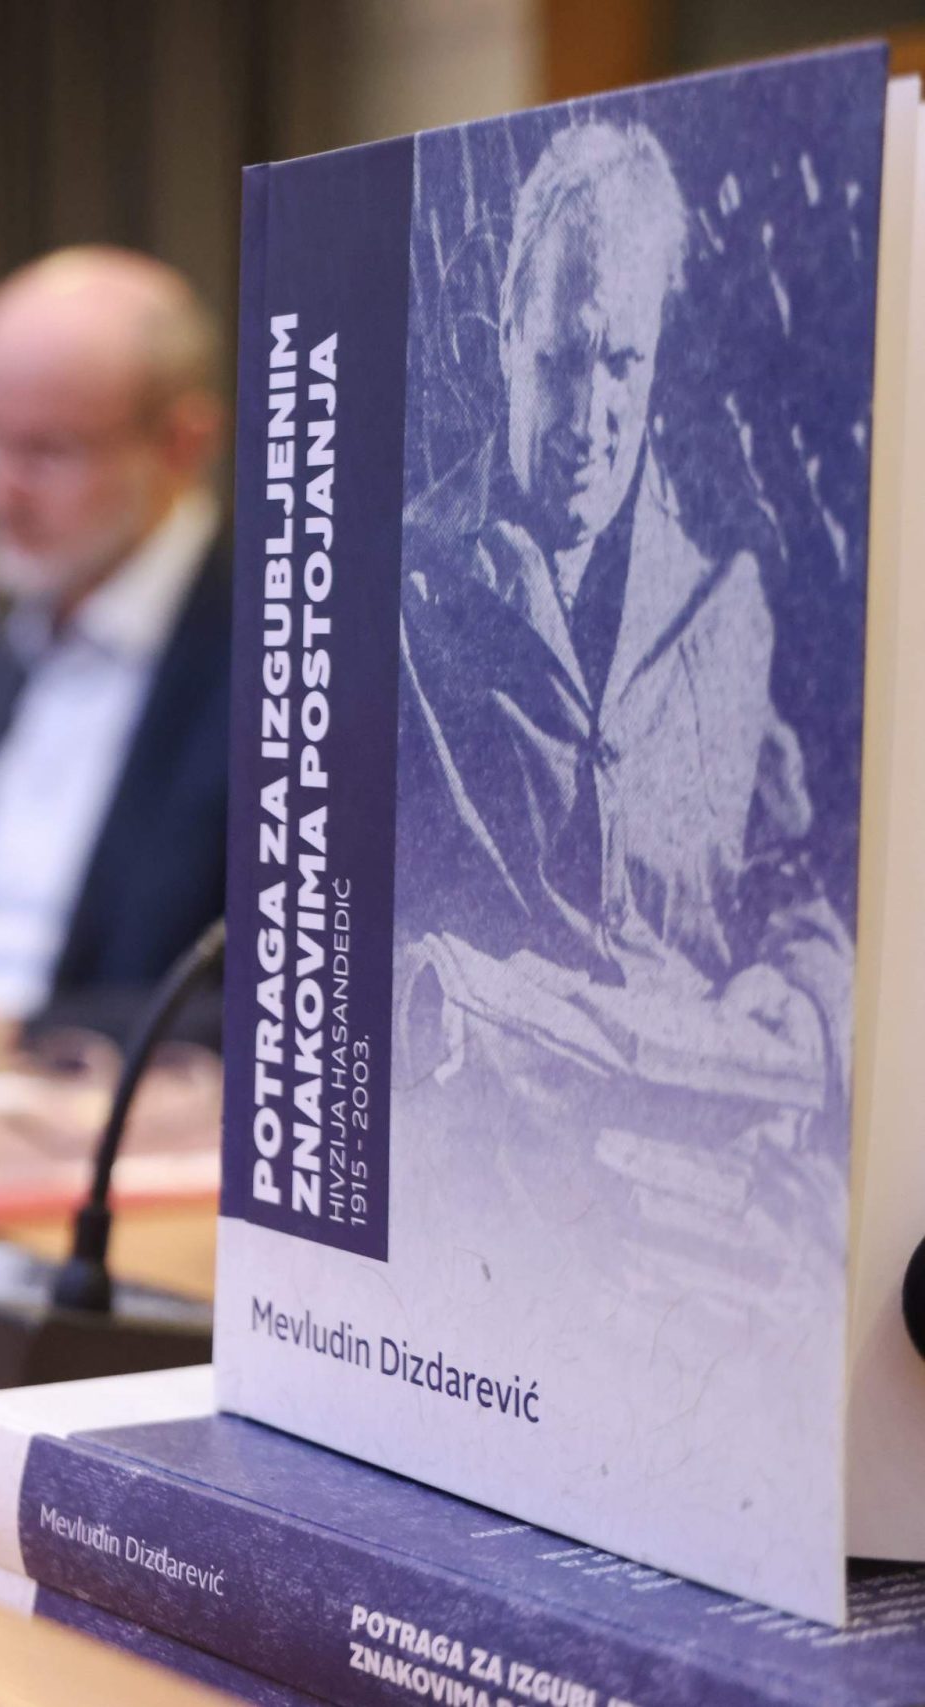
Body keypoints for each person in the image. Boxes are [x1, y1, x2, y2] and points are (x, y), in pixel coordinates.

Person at [394, 119, 848, 1119]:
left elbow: (789, 887)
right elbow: (321, 914)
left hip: (715, 1160)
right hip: (494, 1154)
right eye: (560, 359)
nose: (584, 418)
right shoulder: (404, 590)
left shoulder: (723, 603)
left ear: (654, 362)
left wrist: (807, 1002)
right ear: (507, 336)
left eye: (621, 365)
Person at [0, 246, 230, 1045]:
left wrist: (14, 1034)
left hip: (82, 1091)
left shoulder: (278, 664)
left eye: (46, 450)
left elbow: (284, 1010)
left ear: (182, 442)